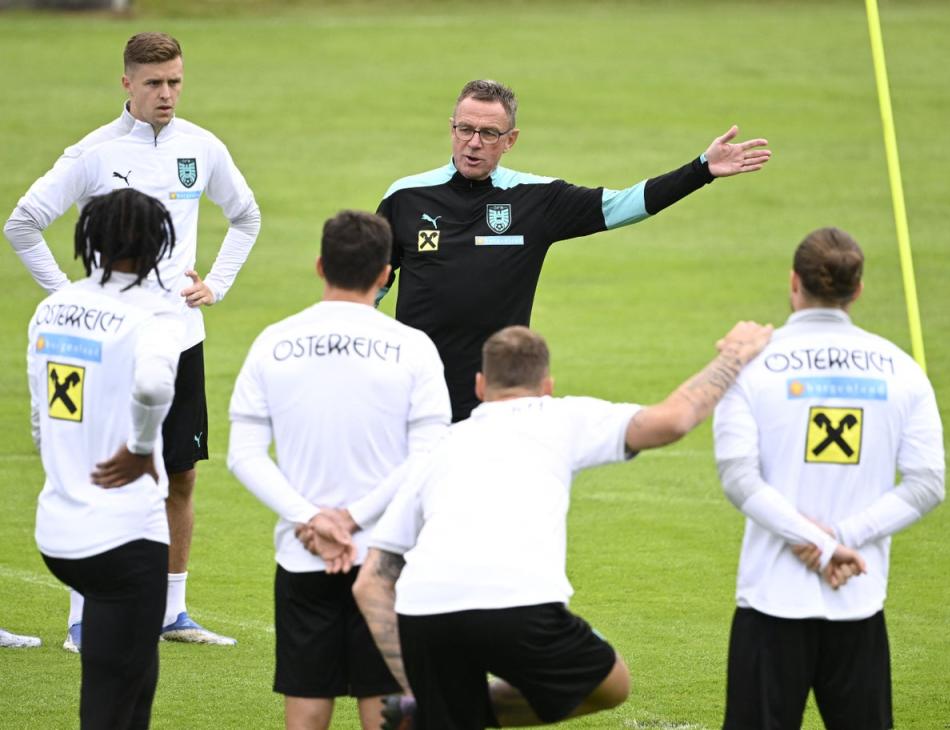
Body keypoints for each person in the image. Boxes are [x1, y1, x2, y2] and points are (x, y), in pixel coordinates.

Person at [346, 321, 773, 730]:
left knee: (443, 716)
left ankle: (426, 712)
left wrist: (421, 692)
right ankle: (452, 711)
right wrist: (734, 355)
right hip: (518, 607)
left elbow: (370, 583)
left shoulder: (441, 446)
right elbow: (673, 420)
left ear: (480, 386)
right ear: (547, 387)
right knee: (611, 683)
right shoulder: (561, 417)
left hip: (426, 612)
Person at [4, 31, 260, 650]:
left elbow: (246, 214)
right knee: (103, 467)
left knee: (180, 475)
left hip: (179, 336)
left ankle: (173, 612)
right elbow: (23, 222)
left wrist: (216, 284)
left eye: (175, 80)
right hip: (109, 342)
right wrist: (67, 293)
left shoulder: (202, 147)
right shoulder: (93, 153)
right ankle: (82, 618)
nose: (166, 93)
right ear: (126, 84)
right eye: (153, 83)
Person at [376, 79, 772, 421]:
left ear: (510, 140)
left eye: (489, 133)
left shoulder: (536, 199)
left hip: (501, 393)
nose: (474, 142)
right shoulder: (406, 197)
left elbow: (622, 206)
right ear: (451, 128)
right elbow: (370, 286)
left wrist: (700, 170)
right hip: (416, 388)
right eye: (465, 129)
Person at [712, 227, 946, 730]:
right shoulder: (902, 369)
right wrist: (841, 541)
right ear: (857, 290)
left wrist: (817, 542)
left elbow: (738, 478)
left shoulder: (751, 365)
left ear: (793, 282)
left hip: (772, 600)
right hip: (857, 595)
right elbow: (927, 484)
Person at [226, 210, 452, 730]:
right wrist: (352, 520)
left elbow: (244, 455)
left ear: (320, 265)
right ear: (385, 274)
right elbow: (429, 452)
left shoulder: (273, 342)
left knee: (306, 708)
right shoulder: (413, 347)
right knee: (386, 708)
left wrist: (314, 519)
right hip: (387, 556)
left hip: (303, 553)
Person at [29, 188, 184, 729]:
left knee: (136, 678)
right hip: (123, 539)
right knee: (114, 698)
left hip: (59, 528)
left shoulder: (53, 306)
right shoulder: (154, 314)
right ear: (155, 245)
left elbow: (38, 420)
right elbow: (152, 385)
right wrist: (141, 448)